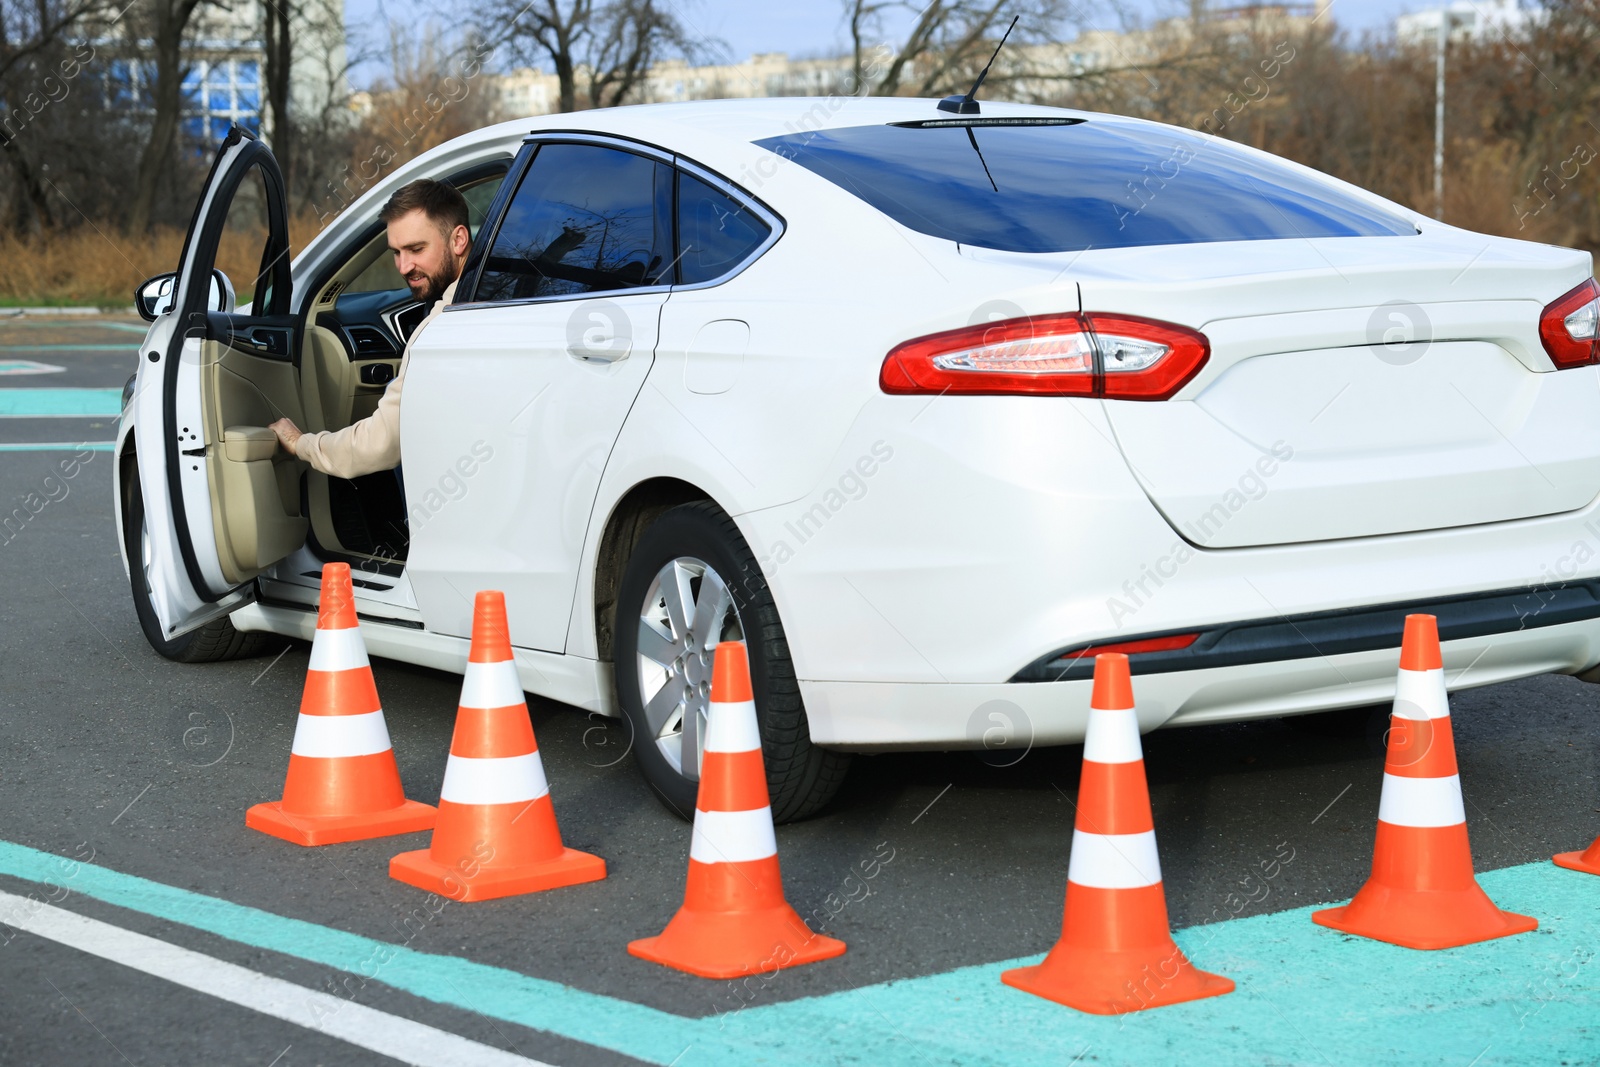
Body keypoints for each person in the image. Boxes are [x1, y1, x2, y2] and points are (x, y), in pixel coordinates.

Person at [268, 179, 470, 478]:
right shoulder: (496, 285)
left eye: (416, 249)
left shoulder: (449, 320)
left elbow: (379, 444)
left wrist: (301, 444)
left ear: (458, 240)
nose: (403, 267)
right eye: (396, 252)